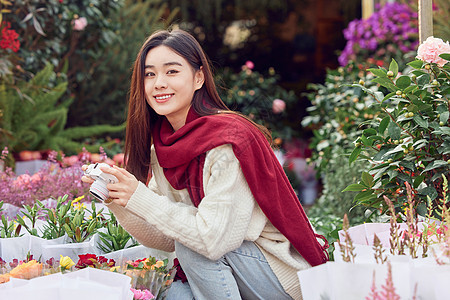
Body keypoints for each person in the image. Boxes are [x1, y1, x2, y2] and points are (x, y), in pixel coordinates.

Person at [81, 29, 328, 300]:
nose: (159, 83)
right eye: (149, 74)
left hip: (278, 275)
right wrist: (117, 197)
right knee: (167, 292)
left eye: (172, 72)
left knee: (193, 246)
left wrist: (139, 196)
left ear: (198, 78)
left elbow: (211, 241)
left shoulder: (227, 143)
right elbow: (165, 236)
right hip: (230, 267)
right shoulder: (162, 145)